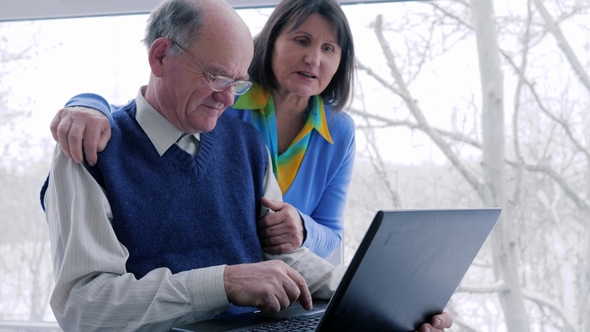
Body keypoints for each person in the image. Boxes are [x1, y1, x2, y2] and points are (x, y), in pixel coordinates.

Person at [42, 0, 453, 331]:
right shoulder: (88, 150)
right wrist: (223, 283)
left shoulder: (244, 143)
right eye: (217, 77)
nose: (227, 99)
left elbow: (286, 258)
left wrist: (393, 300)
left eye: (238, 84)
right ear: (161, 56)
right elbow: (82, 309)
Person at [49, 0, 357, 260]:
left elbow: (331, 230)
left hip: (285, 268)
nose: (313, 59)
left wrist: (303, 229)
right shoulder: (226, 99)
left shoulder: (339, 131)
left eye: (329, 48)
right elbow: (148, 111)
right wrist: (88, 104)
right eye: (301, 40)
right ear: (271, 41)